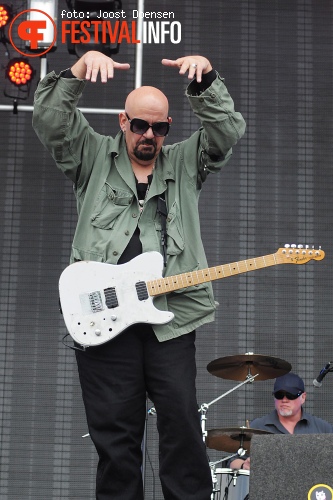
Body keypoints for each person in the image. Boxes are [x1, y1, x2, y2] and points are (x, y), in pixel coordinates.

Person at [32, 50, 246, 500]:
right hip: (104, 323)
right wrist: (75, 72)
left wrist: (206, 83)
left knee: (183, 427)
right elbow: (50, 121)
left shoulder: (186, 163)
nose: (150, 135)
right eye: (141, 125)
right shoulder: (91, 155)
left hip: (171, 318)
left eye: (160, 127)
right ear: (123, 120)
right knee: (116, 439)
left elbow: (226, 133)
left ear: (169, 128)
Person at [229, 372, 333, 471]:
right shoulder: (258, 426)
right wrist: (244, 465)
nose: (284, 400)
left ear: (303, 397)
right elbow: (232, 461)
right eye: (279, 395)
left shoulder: (323, 429)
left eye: (290, 395)